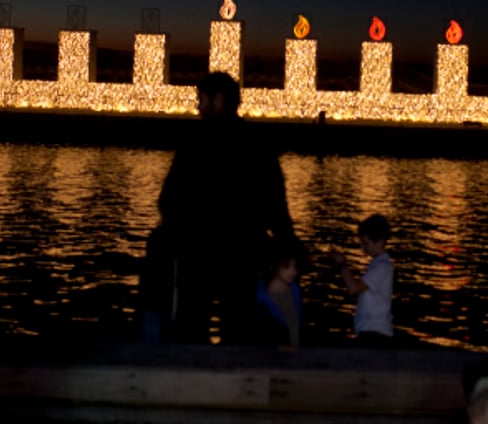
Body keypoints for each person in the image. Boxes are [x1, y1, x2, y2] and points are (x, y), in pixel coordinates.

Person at [142, 71, 296, 345]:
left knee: (191, 323)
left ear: (218, 99)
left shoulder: (195, 140)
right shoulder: (257, 142)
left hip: (196, 251)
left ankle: (192, 378)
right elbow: (276, 202)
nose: (197, 106)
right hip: (244, 250)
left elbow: (169, 199)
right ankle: (238, 379)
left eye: (201, 99)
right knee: (239, 324)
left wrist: (176, 233)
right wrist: (286, 243)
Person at [332, 213, 394, 345]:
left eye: (365, 243)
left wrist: (342, 265)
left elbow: (354, 288)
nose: (363, 248)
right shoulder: (377, 264)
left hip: (375, 333)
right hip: (370, 331)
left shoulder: (382, 268)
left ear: (379, 241)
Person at [251, 234, 306, 350]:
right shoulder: (259, 299)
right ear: (275, 264)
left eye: (296, 266)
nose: (294, 271)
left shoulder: (295, 290)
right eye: (287, 266)